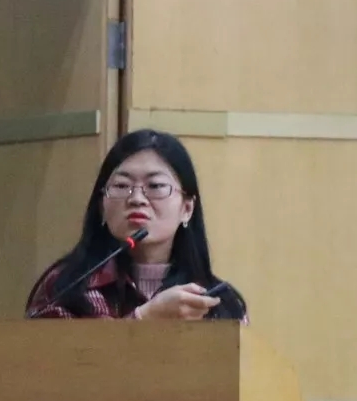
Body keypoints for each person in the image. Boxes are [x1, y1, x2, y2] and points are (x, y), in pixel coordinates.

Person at [24, 128, 248, 322]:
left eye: (155, 185)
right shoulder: (65, 288)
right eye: (122, 186)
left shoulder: (220, 302)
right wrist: (145, 318)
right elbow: (48, 357)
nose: (137, 199)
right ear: (102, 206)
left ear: (187, 208)